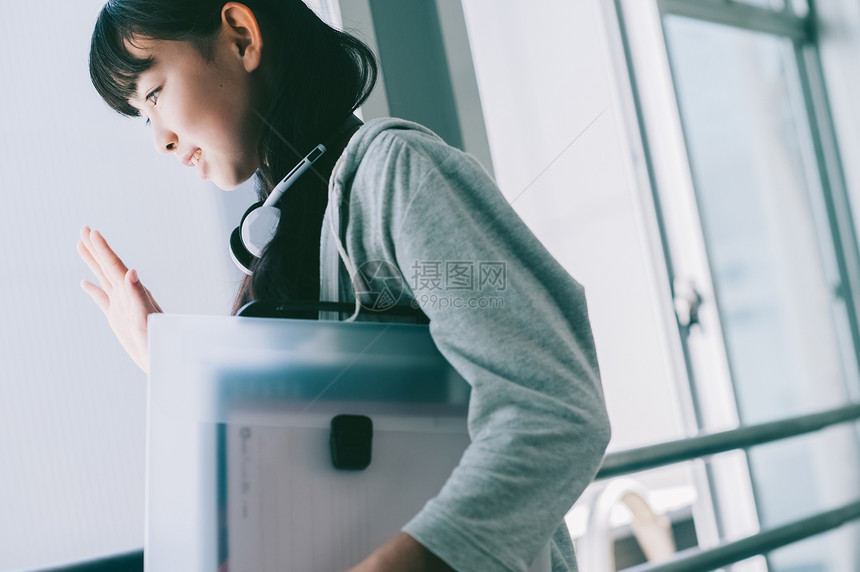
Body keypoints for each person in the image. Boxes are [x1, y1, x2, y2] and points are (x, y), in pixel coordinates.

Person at [79, 1, 612, 570]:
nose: (159, 139)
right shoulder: (296, 230)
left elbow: (553, 409)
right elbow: (312, 447)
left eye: (154, 93)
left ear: (239, 36)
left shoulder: (395, 177)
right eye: (141, 115)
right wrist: (169, 365)